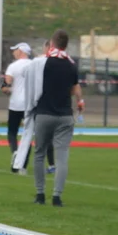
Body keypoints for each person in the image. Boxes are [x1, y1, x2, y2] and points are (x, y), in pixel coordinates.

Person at [18, 29, 83, 206]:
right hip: (65, 115)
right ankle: (57, 196)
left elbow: (31, 79)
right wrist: (80, 101)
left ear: (51, 44)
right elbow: (75, 88)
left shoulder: (42, 64)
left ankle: (40, 195)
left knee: (39, 154)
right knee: (62, 157)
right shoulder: (71, 65)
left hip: (44, 113)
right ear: (66, 45)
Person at [2, 42, 33, 172]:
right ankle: (23, 166)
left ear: (21, 51)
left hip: (16, 103)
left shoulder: (13, 66)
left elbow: (6, 85)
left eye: (15, 50)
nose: (13, 52)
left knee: (12, 132)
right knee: (27, 134)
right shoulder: (34, 65)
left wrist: (8, 89)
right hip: (30, 104)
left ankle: (15, 152)